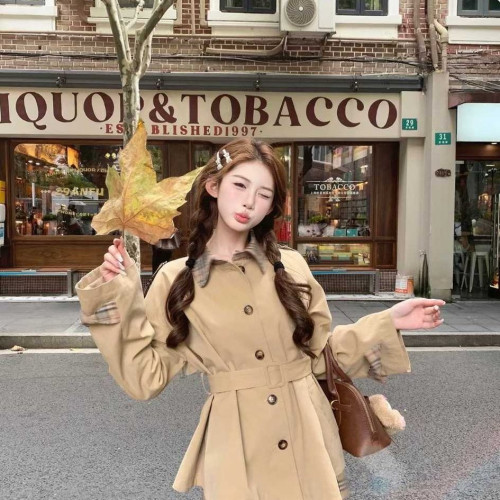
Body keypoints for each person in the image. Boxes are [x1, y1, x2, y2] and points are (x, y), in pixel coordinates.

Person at [76, 139, 444, 500]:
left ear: (271, 207)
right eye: (240, 185)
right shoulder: (177, 281)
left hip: (309, 437)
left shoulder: (291, 265)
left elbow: (321, 355)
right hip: (237, 450)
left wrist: (390, 321)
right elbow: (144, 378)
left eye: (264, 194)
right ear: (213, 186)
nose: (249, 202)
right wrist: (113, 296)